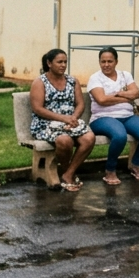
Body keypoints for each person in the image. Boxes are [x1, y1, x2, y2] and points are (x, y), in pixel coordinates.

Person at [85, 47, 139, 186]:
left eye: (110, 61)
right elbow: (102, 100)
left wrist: (116, 94)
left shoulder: (125, 75)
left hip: (127, 116)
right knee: (119, 135)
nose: (106, 64)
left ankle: (134, 165)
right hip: (102, 118)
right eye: (103, 61)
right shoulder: (95, 78)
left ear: (116, 61)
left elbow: (136, 94)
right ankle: (110, 170)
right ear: (99, 62)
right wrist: (124, 96)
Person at [29, 48, 95, 192]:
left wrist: (73, 118)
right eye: (59, 62)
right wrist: (63, 118)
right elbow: (38, 108)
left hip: (70, 122)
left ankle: (68, 174)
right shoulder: (40, 82)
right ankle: (68, 171)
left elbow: (80, 104)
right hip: (45, 123)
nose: (63, 65)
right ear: (49, 63)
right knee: (65, 141)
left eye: (65, 62)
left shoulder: (72, 81)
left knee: (89, 138)